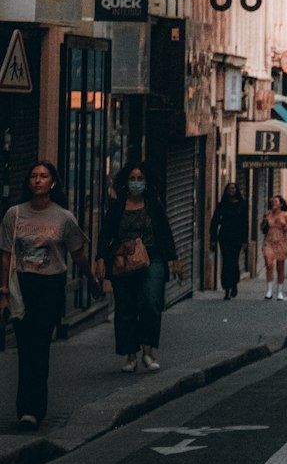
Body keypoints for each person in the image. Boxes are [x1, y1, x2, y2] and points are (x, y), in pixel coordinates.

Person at [0, 162, 100, 429]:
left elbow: (77, 253)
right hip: (22, 285)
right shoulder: (15, 214)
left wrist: (90, 279)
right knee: (26, 348)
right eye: (33, 176)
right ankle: (26, 410)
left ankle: (35, 409)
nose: (37, 180)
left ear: (52, 183)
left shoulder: (63, 217)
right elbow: (6, 255)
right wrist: (4, 292)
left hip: (50, 286)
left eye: (43, 176)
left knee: (40, 346)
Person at [96, 163, 181, 373]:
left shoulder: (153, 204)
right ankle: (130, 354)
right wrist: (99, 259)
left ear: (147, 181)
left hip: (152, 259)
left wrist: (174, 259)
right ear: (125, 182)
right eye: (132, 178)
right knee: (125, 307)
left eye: (140, 178)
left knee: (150, 302)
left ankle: (148, 352)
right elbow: (105, 233)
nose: (136, 183)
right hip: (123, 261)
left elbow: (165, 232)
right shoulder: (117, 206)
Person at [210, 182, 248, 300]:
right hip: (225, 236)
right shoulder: (222, 205)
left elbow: (245, 223)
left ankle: (234, 283)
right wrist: (213, 238)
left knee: (234, 261)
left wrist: (244, 240)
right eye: (229, 189)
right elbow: (215, 221)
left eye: (233, 188)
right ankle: (226, 288)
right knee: (226, 261)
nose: (231, 191)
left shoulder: (242, 205)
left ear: (237, 190)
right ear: (226, 191)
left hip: (237, 236)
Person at [260, 195, 287, 299]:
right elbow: (262, 228)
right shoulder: (268, 214)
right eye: (272, 202)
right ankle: (269, 290)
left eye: (275, 202)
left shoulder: (286, 215)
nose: (273, 204)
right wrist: (265, 222)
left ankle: (280, 291)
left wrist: (284, 226)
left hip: (280, 242)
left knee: (280, 267)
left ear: (281, 204)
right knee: (269, 264)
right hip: (269, 241)